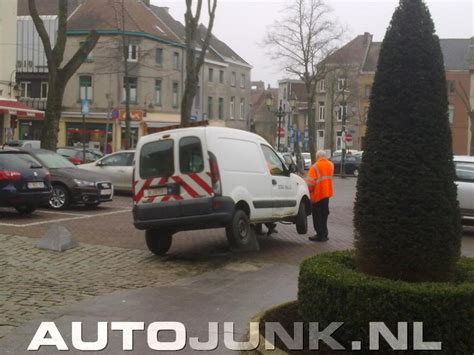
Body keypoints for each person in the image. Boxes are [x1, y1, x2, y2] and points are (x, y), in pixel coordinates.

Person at [305, 150, 334, 242]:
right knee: (324, 214)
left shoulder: (315, 167)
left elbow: (310, 183)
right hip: (327, 194)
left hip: (317, 195)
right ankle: (325, 234)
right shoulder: (331, 165)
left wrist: (308, 192)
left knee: (317, 216)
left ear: (317, 157)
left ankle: (319, 235)